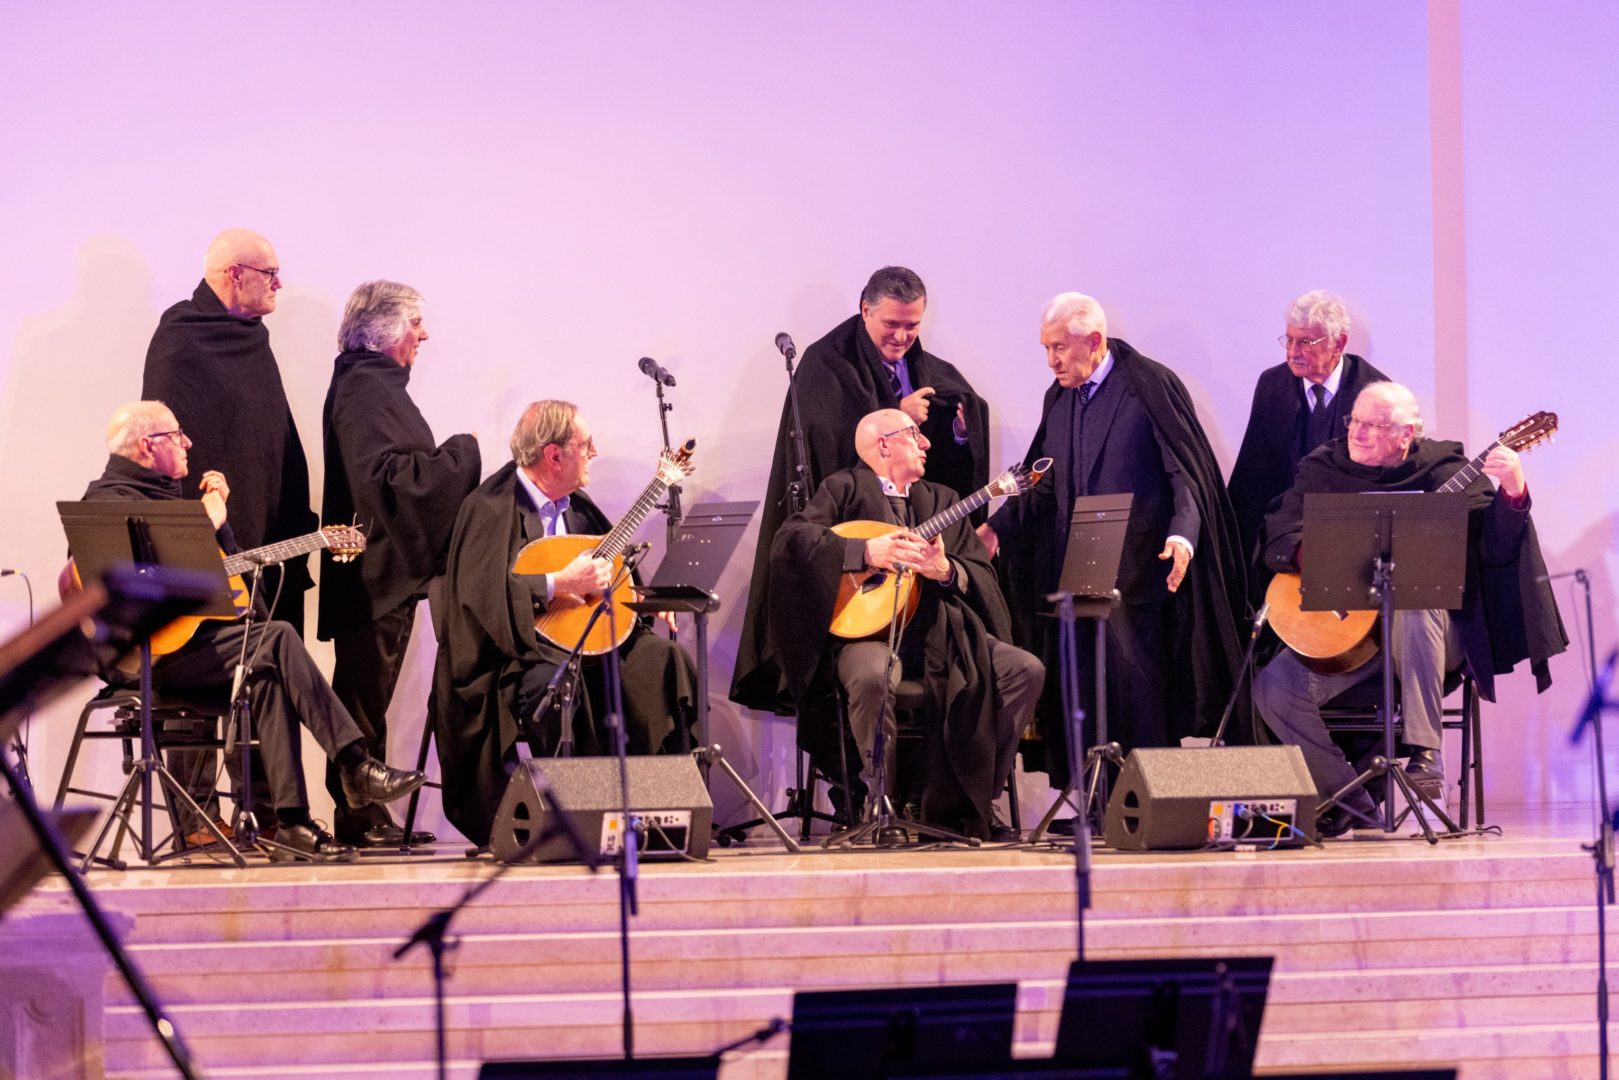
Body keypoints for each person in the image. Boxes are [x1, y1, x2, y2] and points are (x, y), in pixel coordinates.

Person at [73, 402, 428, 860]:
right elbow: (114, 591)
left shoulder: (171, 501)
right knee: (276, 638)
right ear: (147, 445)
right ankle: (354, 764)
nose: (188, 443)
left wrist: (221, 531)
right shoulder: (104, 503)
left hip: (188, 652)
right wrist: (206, 520)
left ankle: (293, 824)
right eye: (177, 435)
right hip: (138, 659)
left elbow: (240, 597)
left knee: (266, 672)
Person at [1253, 382, 1566, 832]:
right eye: (1354, 421)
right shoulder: (1323, 468)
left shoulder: (1444, 469)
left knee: (1414, 596)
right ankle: (1355, 805)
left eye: (1373, 425)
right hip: (1350, 639)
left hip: (1437, 635)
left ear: (1406, 434)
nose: (1357, 432)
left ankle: (1425, 754)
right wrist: (1318, 555)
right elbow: (1279, 535)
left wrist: (1513, 491)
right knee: (1275, 688)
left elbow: (1495, 550)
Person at [979, 293, 1246, 793]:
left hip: (1136, 569)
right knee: (1082, 685)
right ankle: (1098, 804)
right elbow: (1042, 483)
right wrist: (997, 528)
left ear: (1094, 340)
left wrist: (1183, 535)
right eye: (1046, 348)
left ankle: (1148, 803)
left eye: (1060, 347)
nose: (1051, 360)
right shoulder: (1059, 397)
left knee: (1137, 687)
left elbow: (1185, 475)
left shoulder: (1147, 386)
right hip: (1075, 564)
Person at [431, 401, 697, 848]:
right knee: (559, 683)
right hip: (513, 655)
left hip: (586, 641)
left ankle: (666, 816)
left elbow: (612, 570)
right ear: (554, 455)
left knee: (665, 660)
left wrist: (641, 601)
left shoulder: (578, 508)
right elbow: (479, 596)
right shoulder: (490, 508)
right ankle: (581, 822)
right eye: (585, 444)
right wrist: (557, 583)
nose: (594, 452)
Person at [769, 409, 1043, 842]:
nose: (927, 442)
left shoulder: (943, 499)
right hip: (868, 635)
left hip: (943, 632)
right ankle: (881, 803)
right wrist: (863, 552)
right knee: (872, 677)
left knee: (1024, 669)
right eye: (915, 434)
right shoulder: (842, 488)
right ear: (884, 444)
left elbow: (980, 572)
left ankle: (974, 800)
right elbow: (792, 542)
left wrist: (945, 571)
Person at [732, 266, 993, 715]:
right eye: (891, 324)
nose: (901, 337)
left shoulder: (926, 368)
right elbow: (828, 444)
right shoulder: (825, 363)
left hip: (919, 549)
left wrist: (959, 430)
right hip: (854, 554)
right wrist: (894, 411)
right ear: (865, 310)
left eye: (912, 326)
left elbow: (945, 452)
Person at [317, 281, 481, 847]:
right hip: (372, 572)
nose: (424, 334)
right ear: (384, 329)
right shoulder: (366, 388)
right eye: (415, 323)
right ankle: (358, 818)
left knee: (369, 693)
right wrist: (462, 453)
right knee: (363, 692)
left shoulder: (368, 384)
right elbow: (385, 480)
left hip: (377, 569)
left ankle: (365, 816)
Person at [142, 228, 319, 634]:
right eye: (270, 273)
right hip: (216, 533)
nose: (279, 284)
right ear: (235, 274)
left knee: (277, 648)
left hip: (270, 525)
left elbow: (273, 436)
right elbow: (163, 446)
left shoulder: (254, 337)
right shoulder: (181, 336)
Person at [1227, 290, 1389, 605]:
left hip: (1346, 543)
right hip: (1282, 538)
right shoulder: (1272, 384)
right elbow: (1253, 472)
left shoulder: (1373, 393)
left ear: (1339, 343)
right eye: (1288, 340)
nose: (1292, 352)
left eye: (1305, 342)